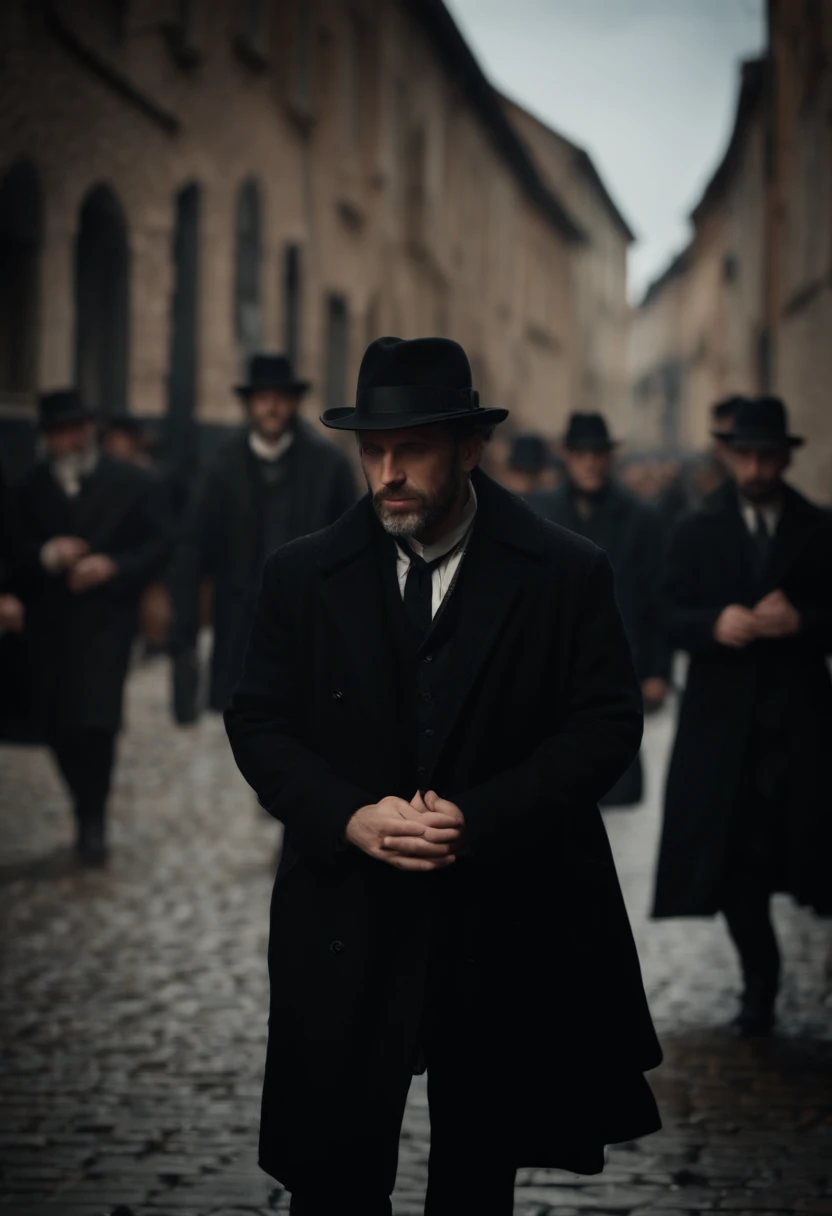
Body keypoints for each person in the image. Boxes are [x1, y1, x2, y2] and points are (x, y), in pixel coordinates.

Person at [224, 337, 661, 1216]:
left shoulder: (565, 571)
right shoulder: (300, 575)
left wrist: (482, 816)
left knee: (475, 1179)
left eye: (411, 448)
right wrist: (346, 814)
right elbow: (259, 721)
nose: (387, 472)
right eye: (371, 450)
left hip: (498, 915)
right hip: (346, 910)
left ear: (469, 447)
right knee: (335, 1180)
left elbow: (606, 722)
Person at [654, 396, 832, 1035]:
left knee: (799, 849)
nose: (757, 468)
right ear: (731, 455)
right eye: (746, 455)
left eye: (768, 455)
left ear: (785, 457)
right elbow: (666, 616)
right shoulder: (697, 528)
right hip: (721, 728)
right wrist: (713, 625)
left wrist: (804, 621)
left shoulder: (816, 527)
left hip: (799, 727)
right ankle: (760, 982)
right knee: (733, 864)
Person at [13, 389, 170, 862]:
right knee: (59, 725)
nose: (72, 439)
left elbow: (159, 543)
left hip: (106, 624)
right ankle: (82, 804)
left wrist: (113, 566)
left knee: (97, 723)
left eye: (78, 429)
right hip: (50, 626)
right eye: (62, 432)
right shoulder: (29, 487)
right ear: (48, 438)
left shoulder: (130, 482)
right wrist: (47, 555)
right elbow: (14, 549)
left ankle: (93, 820)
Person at [170, 353, 358, 719]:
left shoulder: (328, 465)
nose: (272, 407)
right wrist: (184, 637)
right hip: (239, 625)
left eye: (281, 398)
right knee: (250, 727)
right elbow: (192, 549)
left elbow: (352, 552)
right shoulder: (221, 466)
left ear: (294, 403)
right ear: (249, 404)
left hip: (307, 626)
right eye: (262, 398)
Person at [528, 412, 670, 806]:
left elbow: (656, 597)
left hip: (619, 660)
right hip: (553, 663)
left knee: (613, 782)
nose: (590, 462)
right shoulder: (540, 513)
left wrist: (658, 671)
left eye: (597, 454)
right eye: (581, 454)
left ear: (609, 458)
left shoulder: (641, 518)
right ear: (567, 456)